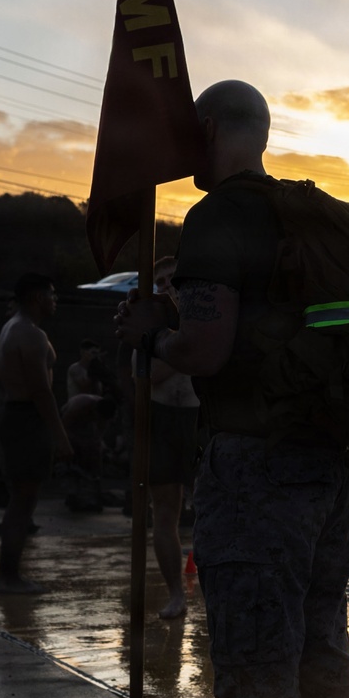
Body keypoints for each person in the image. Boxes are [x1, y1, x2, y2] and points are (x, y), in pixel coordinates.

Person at [118, 80, 349, 698]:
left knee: (258, 665)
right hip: (324, 470)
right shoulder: (305, 220)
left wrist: (151, 334)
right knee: (322, 652)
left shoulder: (222, 218)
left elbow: (207, 345)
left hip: (255, 469)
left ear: (216, 129)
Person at [0, 274, 73, 593]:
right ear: (38, 297)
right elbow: (42, 391)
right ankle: (8, 576)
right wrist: (62, 437)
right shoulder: (31, 334)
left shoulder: (10, 328)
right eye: (52, 294)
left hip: (13, 413)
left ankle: (8, 574)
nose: (56, 300)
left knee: (21, 498)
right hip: (26, 416)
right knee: (23, 500)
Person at [145, 255, 200, 620]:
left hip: (197, 418)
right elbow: (151, 374)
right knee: (165, 512)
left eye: (171, 279)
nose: (166, 285)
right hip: (162, 418)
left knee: (213, 509)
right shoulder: (150, 325)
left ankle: (212, 587)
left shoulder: (207, 317)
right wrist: (186, 348)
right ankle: (176, 595)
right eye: (159, 281)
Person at [61, 392, 117, 511]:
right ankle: (73, 492)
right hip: (68, 426)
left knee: (94, 453)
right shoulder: (79, 406)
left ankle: (92, 491)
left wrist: (99, 451)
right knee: (73, 457)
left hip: (85, 428)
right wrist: (78, 444)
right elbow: (63, 429)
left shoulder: (104, 414)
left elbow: (98, 438)